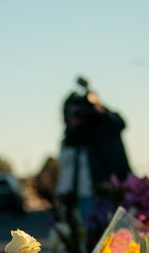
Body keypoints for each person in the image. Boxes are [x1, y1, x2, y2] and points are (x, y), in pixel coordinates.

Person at [55, 78, 131, 223]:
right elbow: (70, 146)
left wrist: (99, 106)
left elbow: (120, 124)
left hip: (116, 181)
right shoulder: (80, 132)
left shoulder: (105, 121)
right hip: (94, 187)